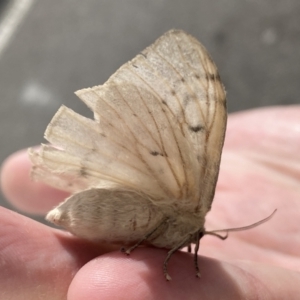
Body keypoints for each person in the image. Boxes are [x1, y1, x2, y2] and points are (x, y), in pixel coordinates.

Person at [1, 106, 300, 299]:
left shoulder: (189, 217)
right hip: (109, 203)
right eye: (195, 239)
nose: (194, 242)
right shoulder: (189, 210)